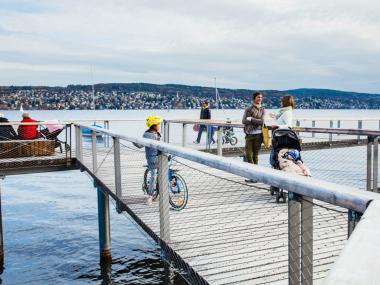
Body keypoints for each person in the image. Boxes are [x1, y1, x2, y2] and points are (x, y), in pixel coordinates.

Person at [242, 92, 265, 182]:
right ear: (254, 98)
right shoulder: (248, 109)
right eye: (258, 97)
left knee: (255, 155)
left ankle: (254, 177)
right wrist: (256, 121)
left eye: (261, 97)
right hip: (249, 134)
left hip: (259, 135)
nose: (260, 98)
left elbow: (262, 122)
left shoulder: (263, 109)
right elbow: (244, 121)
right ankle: (254, 174)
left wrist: (251, 119)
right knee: (248, 154)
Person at [143, 115, 163, 205]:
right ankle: (150, 195)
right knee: (153, 176)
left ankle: (161, 190)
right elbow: (140, 144)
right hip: (152, 158)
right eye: (158, 124)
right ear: (153, 125)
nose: (159, 125)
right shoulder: (147, 135)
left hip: (159, 156)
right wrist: (134, 141)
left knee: (161, 173)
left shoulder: (156, 134)